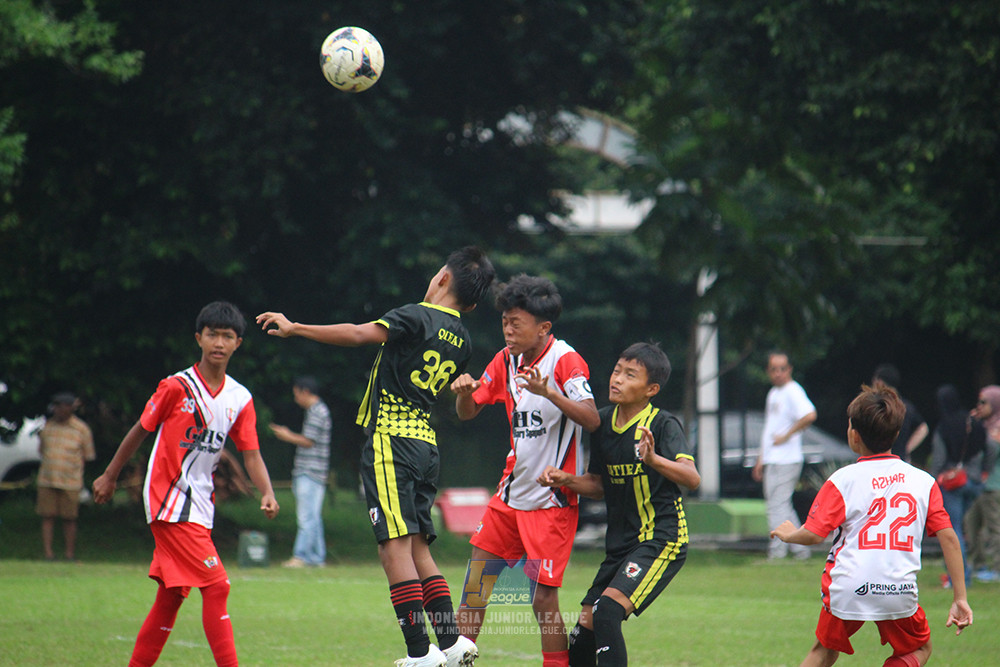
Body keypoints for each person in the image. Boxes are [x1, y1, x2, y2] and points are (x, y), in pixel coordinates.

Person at [257, 246, 495, 667]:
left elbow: (356, 333)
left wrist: (296, 328)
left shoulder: (417, 314)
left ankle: (420, 653)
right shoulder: (464, 340)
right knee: (419, 547)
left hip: (392, 441)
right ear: (473, 302)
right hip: (427, 445)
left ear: (441, 278)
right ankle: (452, 641)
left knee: (393, 548)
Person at [92, 301, 280, 667]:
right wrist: (110, 474)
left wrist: (267, 491)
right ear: (199, 338)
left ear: (238, 343)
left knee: (171, 597)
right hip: (168, 500)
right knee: (217, 585)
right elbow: (140, 430)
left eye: (227, 336)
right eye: (212, 335)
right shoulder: (177, 386)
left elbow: (251, 454)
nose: (219, 343)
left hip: (199, 503)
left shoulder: (240, 398)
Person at [450, 274, 601, 667]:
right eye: (505, 321)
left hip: (551, 503)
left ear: (543, 327)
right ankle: (457, 659)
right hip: (509, 497)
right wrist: (465, 395)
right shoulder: (504, 359)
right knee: (475, 586)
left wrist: (549, 392)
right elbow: (468, 413)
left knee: (541, 598)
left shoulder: (566, 360)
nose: (508, 329)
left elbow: (591, 418)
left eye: (517, 322)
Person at [772, 382, 973, 667]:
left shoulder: (843, 480)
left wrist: (790, 534)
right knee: (919, 649)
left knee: (824, 650)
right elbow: (949, 538)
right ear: (897, 433)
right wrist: (960, 597)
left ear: (854, 435)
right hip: (897, 588)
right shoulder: (923, 482)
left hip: (847, 586)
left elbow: (815, 535)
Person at [537, 342, 700, 667]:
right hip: (621, 545)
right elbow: (598, 485)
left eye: (630, 375)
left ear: (651, 389)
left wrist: (653, 459)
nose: (617, 379)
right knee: (585, 628)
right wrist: (566, 479)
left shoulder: (662, 424)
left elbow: (691, 478)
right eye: (616, 371)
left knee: (607, 611)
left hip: (661, 538)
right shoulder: (601, 424)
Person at [752, 351, 817, 560]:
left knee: (777, 505)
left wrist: (788, 435)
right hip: (774, 458)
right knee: (781, 504)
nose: (778, 373)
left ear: (789, 369)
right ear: (768, 371)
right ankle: (800, 549)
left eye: (782, 368)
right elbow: (770, 430)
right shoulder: (773, 393)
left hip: (787, 458)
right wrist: (761, 459)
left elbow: (809, 414)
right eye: (773, 369)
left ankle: (777, 551)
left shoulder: (793, 390)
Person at [929, 384, 992, 587]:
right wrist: (985, 471)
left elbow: (938, 459)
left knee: (952, 530)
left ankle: (961, 576)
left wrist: (934, 479)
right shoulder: (973, 421)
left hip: (952, 484)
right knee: (962, 528)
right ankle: (964, 572)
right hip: (973, 482)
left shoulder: (944, 425)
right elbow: (990, 446)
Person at [269, 376, 333, 568]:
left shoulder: (317, 412)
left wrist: (287, 435)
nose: (296, 399)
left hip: (310, 472)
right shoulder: (318, 410)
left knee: (306, 516)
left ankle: (301, 556)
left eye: (296, 394)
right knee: (313, 516)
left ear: (305, 392)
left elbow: (308, 441)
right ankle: (316, 557)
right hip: (314, 472)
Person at [36, 391, 95, 561]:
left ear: (69, 408)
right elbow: (41, 451)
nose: (57, 410)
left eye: (61, 406)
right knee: (47, 516)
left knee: (70, 518)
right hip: (47, 478)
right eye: (55, 406)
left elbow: (88, 455)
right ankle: (48, 553)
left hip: (71, 481)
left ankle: (69, 554)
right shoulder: (48, 426)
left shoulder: (81, 429)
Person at [963, 385, 1000, 582]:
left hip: (994, 485)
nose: (980, 406)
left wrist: (977, 428)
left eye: (984, 402)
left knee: (995, 527)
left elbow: (992, 447)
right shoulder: (984, 425)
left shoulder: (997, 425)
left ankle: (997, 567)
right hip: (979, 484)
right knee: (971, 524)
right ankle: (978, 564)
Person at [872, 364, 928, 462]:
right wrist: (906, 449)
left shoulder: (875, 406)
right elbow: (923, 428)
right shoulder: (906, 407)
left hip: (878, 460)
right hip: (900, 460)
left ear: (880, 383)